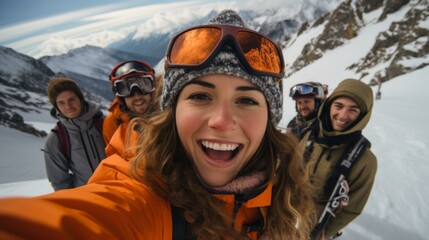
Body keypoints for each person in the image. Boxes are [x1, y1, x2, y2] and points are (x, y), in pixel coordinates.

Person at [0, 10, 316, 239]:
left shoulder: (278, 193)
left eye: (246, 100)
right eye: (201, 96)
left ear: (268, 120)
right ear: (171, 112)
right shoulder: (145, 202)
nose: (221, 121)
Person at [301, 78, 377, 239]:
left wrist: (323, 233)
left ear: (362, 116)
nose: (343, 115)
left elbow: (351, 208)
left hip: (312, 229)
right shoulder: (310, 136)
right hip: (284, 215)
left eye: (353, 110)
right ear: (329, 106)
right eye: (339, 106)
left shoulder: (365, 161)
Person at [43, 77, 106, 191]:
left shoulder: (103, 123)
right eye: (61, 103)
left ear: (80, 98)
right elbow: (59, 182)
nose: (68, 107)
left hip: (120, 193)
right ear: (56, 107)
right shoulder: (57, 138)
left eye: (72, 99)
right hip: (88, 200)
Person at [102, 60, 159, 156]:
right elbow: (115, 160)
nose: (137, 96)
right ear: (120, 97)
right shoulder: (113, 123)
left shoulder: (166, 112)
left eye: (143, 85)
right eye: (125, 88)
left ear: (152, 89)